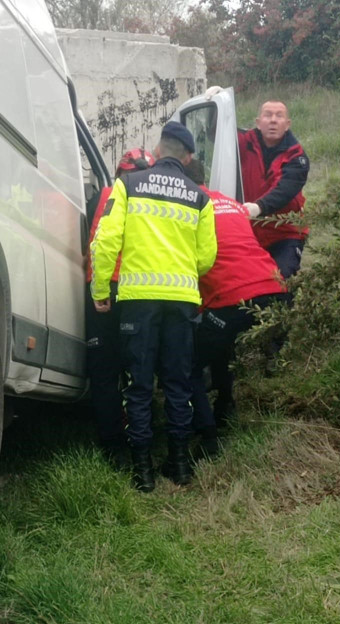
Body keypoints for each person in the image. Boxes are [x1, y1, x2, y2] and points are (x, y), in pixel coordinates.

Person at [90, 122, 217, 492]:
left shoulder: (127, 185)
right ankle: (179, 465)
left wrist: (100, 289)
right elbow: (207, 257)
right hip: (181, 303)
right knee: (177, 383)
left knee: (139, 384)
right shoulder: (200, 198)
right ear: (188, 157)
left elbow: (106, 240)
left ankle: (142, 472)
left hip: (137, 303)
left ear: (157, 151)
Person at [184, 159, 290, 454]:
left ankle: (207, 440)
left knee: (189, 364)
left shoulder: (188, 206)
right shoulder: (228, 202)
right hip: (275, 288)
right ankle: (226, 406)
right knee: (219, 342)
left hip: (236, 295)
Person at [85, 148, 155, 470]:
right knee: (137, 365)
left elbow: (97, 243)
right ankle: (141, 437)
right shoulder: (153, 201)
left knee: (103, 370)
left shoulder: (105, 195)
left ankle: (112, 446)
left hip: (103, 285)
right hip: (136, 288)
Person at [204, 88, 309, 279]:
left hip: (285, 233)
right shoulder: (246, 142)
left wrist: (258, 207)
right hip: (249, 232)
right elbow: (215, 133)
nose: (273, 120)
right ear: (258, 123)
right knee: (247, 283)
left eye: (279, 116)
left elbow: (285, 190)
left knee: (280, 280)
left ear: (287, 124)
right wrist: (215, 102)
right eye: (267, 115)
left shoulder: (297, 156)